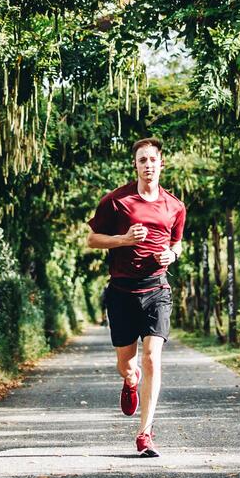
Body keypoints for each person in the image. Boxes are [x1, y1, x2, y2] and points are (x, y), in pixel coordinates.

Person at [86, 137, 184, 457]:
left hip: (157, 289)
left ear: (161, 164)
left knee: (153, 356)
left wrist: (171, 255)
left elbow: (177, 244)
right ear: (136, 165)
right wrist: (124, 239)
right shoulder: (116, 201)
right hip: (122, 292)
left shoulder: (174, 206)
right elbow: (92, 240)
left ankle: (145, 434)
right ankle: (131, 383)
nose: (148, 165)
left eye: (152, 160)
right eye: (142, 160)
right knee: (127, 364)